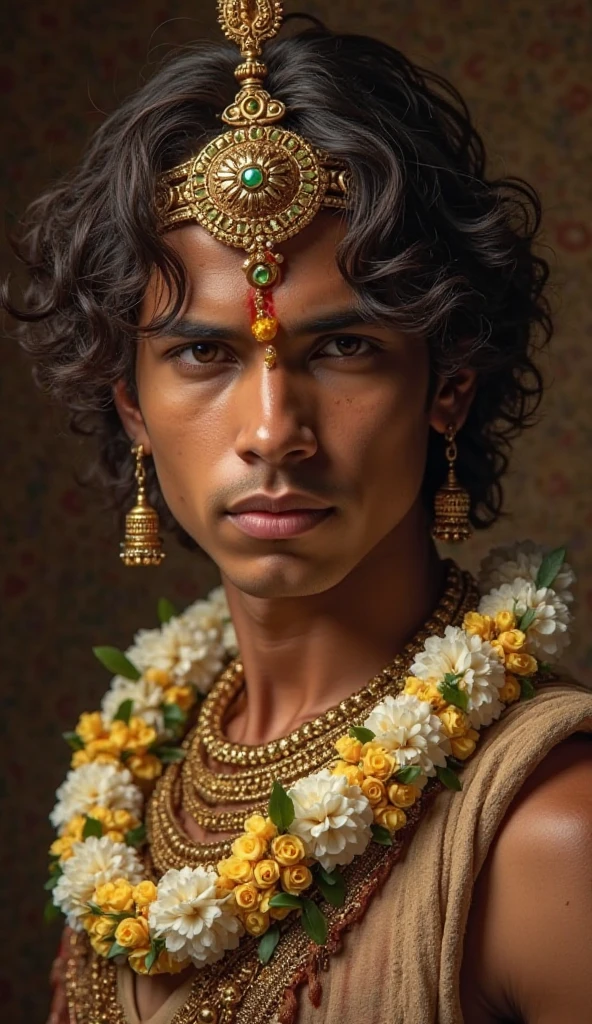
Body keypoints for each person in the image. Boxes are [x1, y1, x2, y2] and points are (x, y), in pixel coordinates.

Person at [4, 3, 592, 1022]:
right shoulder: (134, 784)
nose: (274, 430)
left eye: (343, 348)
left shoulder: (549, 836)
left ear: (447, 383)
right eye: (204, 353)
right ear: (131, 404)